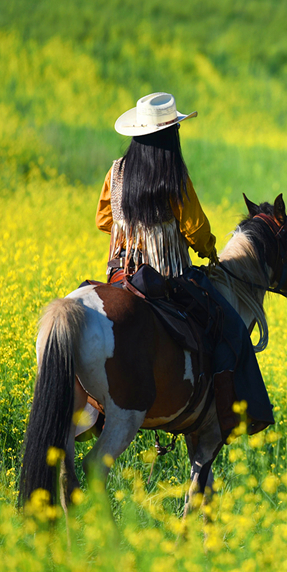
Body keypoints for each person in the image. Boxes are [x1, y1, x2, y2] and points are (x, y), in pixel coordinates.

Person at [96, 92, 273, 434]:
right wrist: (209, 250)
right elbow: (196, 230)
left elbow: (104, 219)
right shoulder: (172, 175)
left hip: (121, 275)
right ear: (170, 134)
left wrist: (134, 230)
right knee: (231, 327)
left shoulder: (116, 172)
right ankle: (227, 416)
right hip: (167, 277)